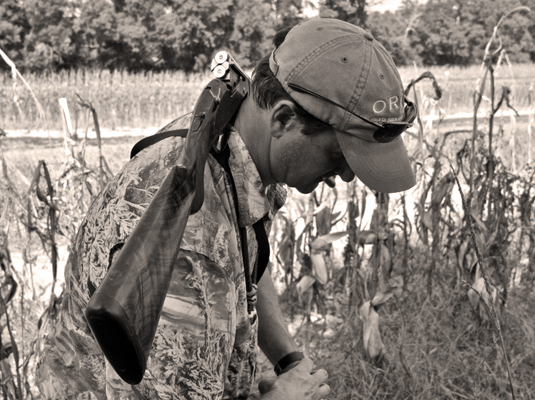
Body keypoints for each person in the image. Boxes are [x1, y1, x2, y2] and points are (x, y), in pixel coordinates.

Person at [35, 17, 416, 399]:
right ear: (283, 118)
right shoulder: (191, 248)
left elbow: (244, 253)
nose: (347, 175)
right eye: (339, 154)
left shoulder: (228, 134)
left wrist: (287, 358)